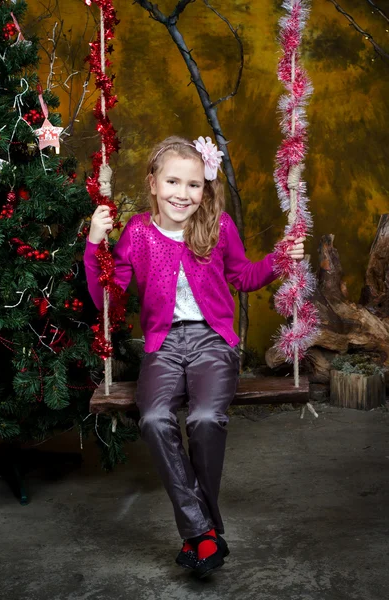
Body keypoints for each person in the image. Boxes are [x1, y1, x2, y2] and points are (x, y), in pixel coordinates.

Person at [84, 135, 305, 578]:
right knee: (153, 418)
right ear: (152, 183)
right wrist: (94, 243)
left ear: (205, 187)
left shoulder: (218, 226)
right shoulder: (139, 233)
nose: (182, 194)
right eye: (172, 182)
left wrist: (282, 259)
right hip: (162, 346)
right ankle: (205, 530)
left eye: (193, 184)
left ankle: (198, 532)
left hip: (213, 343)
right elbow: (108, 296)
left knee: (206, 417)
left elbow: (242, 276)